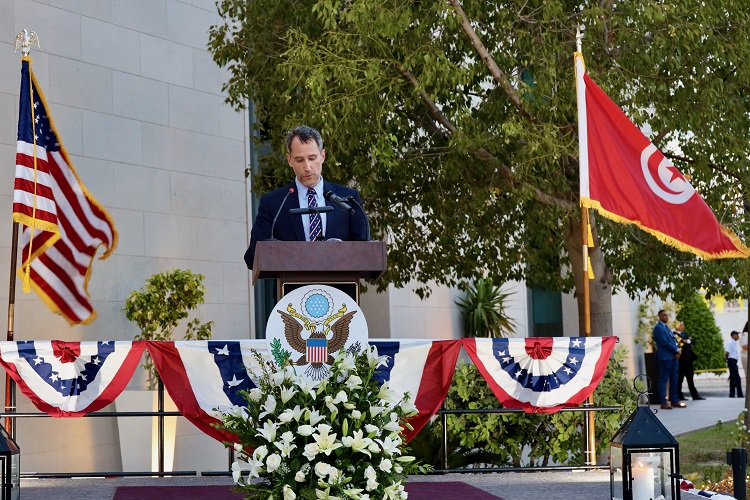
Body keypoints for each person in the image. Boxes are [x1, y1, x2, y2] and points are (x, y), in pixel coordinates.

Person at [244, 125, 368, 269]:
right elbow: (252, 257)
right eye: (299, 160)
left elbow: (365, 251)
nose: (307, 167)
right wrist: (280, 252)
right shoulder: (273, 203)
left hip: (339, 289)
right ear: (289, 160)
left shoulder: (349, 199)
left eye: (312, 158)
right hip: (290, 289)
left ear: (323, 156)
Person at [652, 310, 686, 409]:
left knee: (674, 379)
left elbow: (672, 340)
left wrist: (676, 351)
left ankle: (674, 400)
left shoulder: (666, 327)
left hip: (673, 356)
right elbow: (663, 342)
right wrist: (675, 350)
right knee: (663, 379)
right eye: (664, 315)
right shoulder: (658, 328)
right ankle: (663, 401)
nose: (666, 317)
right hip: (665, 357)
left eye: (667, 315)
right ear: (659, 316)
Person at [674, 321, 705, 401]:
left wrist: (687, 341)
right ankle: (679, 395)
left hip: (688, 360)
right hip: (681, 361)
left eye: (683, 324)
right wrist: (687, 342)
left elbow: (691, 341)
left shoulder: (684, 334)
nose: (682, 326)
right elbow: (681, 344)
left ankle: (695, 395)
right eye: (681, 324)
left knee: (690, 379)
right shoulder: (674, 334)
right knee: (680, 379)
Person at [724, 330, 744, 398]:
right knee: (737, 378)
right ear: (733, 336)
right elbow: (727, 353)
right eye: (736, 335)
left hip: (733, 361)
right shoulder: (730, 343)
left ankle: (732, 394)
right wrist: (727, 359)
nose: (738, 336)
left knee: (732, 378)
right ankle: (739, 394)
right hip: (731, 361)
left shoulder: (734, 343)